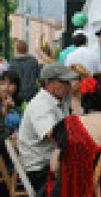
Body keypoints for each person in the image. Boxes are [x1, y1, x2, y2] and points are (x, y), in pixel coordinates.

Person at [18, 63, 77, 193]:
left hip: (54, 164)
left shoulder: (60, 98)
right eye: (63, 81)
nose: (69, 85)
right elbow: (54, 135)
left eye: (69, 81)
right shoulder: (41, 104)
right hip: (40, 170)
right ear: (47, 83)